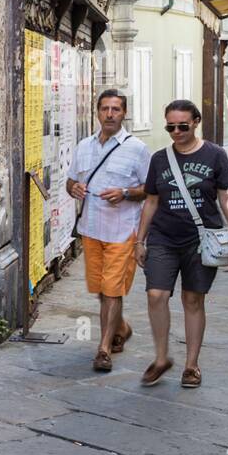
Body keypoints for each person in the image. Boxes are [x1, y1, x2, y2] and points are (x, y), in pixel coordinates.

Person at [134, 99, 228, 389]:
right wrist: (140, 240)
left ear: (196, 122)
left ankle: (191, 365)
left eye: (182, 126)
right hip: (163, 237)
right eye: (170, 126)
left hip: (201, 240)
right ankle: (161, 358)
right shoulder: (160, 159)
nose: (176, 131)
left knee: (193, 300)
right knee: (156, 295)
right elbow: (151, 201)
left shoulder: (215, 155)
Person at [67, 89, 151, 372]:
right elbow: (70, 182)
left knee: (112, 290)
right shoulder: (84, 146)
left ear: (124, 113)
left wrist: (126, 192)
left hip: (122, 230)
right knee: (101, 289)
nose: (110, 114)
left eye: (116, 109)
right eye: (105, 109)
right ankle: (122, 328)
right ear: (97, 112)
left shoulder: (136, 148)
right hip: (91, 229)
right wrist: (74, 188)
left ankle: (103, 348)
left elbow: (150, 191)